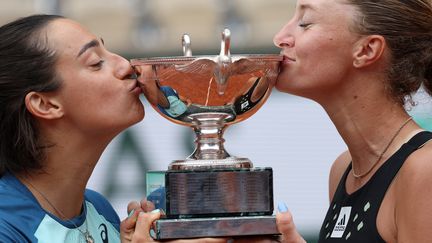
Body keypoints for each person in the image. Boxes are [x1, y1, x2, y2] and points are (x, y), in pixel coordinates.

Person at [0, 14, 227, 243]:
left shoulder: (100, 210)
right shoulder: (5, 226)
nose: (126, 65)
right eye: (96, 63)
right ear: (45, 104)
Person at [272, 0, 432, 242]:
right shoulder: (343, 170)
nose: (280, 37)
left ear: (367, 50)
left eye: (305, 23)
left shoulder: (425, 170)